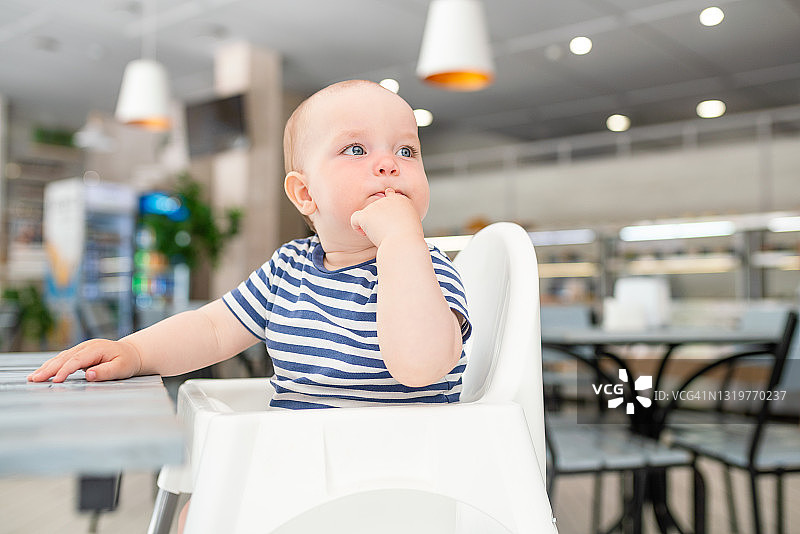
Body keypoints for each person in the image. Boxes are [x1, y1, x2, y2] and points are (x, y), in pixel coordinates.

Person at [28, 79, 471, 411]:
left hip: (403, 483)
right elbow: (213, 329)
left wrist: (399, 240)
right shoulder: (290, 269)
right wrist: (136, 351)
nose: (389, 165)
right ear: (305, 194)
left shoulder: (426, 267)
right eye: (356, 150)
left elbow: (420, 366)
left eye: (407, 152)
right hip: (304, 473)